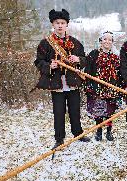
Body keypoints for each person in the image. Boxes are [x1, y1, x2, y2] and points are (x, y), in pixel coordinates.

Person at [34, 9, 90, 149]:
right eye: (57, 23)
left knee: (75, 110)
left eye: (62, 23)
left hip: (73, 83)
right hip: (57, 83)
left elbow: (85, 60)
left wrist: (78, 59)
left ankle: (78, 133)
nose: (60, 25)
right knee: (59, 112)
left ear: (67, 25)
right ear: (53, 24)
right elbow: (39, 62)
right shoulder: (45, 43)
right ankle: (59, 139)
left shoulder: (75, 43)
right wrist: (49, 65)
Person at [84, 31, 121, 141]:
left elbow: (119, 72)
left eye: (110, 40)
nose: (107, 41)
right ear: (100, 41)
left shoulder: (115, 56)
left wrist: (119, 85)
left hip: (111, 87)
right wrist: (89, 84)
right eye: (105, 39)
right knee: (99, 110)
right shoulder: (93, 54)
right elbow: (88, 70)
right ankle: (99, 132)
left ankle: (109, 132)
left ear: (112, 42)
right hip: (97, 87)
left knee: (109, 110)